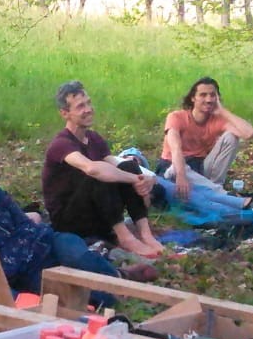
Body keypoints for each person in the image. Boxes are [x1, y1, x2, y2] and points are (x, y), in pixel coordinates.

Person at [0, 142, 156, 306]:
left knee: (76, 254)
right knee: (95, 298)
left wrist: (17, 245)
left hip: (48, 241)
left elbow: (25, 225)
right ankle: (119, 284)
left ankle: (118, 278)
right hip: (29, 269)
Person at [42, 81, 165, 258]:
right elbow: (92, 169)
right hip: (69, 220)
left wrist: (146, 179)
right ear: (65, 113)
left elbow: (116, 165)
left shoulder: (93, 138)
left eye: (89, 103)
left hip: (96, 211)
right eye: (80, 106)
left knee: (128, 166)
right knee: (98, 174)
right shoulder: (61, 144)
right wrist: (133, 179)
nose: (88, 109)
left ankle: (146, 234)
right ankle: (125, 238)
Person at [159, 77, 253, 204]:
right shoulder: (176, 117)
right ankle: (227, 197)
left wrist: (223, 111)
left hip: (200, 167)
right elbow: (175, 149)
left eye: (212, 95)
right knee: (177, 168)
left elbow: (249, 133)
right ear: (193, 98)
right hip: (174, 166)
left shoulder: (216, 120)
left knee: (231, 137)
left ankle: (215, 188)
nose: (208, 99)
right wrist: (181, 175)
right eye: (203, 95)